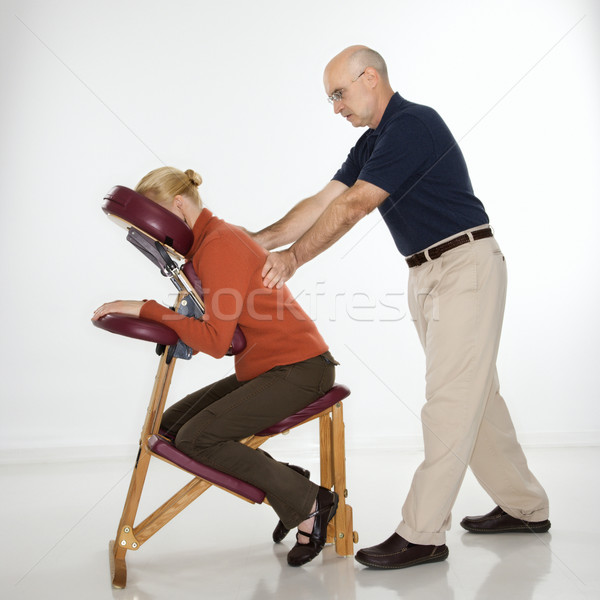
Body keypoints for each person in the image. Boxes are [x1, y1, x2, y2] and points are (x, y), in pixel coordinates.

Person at [249, 45, 550, 569]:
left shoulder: (412, 123)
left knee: (449, 402)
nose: (336, 107)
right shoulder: (372, 143)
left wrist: (293, 258)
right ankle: (525, 507)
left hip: (465, 265)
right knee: (479, 398)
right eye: (330, 99)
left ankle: (422, 533)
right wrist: (258, 241)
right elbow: (325, 199)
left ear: (370, 77)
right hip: (427, 272)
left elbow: (356, 204)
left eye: (339, 94)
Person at [92, 166, 340, 567]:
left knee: (196, 439)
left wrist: (146, 308)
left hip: (299, 368)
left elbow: (213, 340)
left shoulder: (219, 244)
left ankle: (310, 501)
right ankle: (289, 484)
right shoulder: (206, 244)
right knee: (171, 426)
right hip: (267, 368)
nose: (156, 236)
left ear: (176, 206)